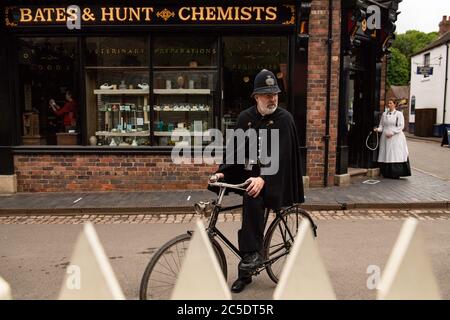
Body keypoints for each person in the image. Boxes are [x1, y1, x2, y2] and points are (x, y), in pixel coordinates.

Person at [209, 69, 305, 293]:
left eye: (275, 94)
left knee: (252, 196)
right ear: (256, 97)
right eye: (266, 94)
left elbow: (282, 156)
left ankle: (250, 259)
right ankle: (248, 269)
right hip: (252, 175)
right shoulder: (246, 118)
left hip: (277, 179)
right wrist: (223, 172)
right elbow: (236, 151)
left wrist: (264, 178)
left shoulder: (284, 119)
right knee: (248, 211)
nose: (272, 98)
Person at [374, 99, 411, 179]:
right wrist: (378, 129)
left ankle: (395, 173)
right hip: (385, 137)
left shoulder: (399, 114)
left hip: (396, 137)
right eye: (388, 103)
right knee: (386, 152)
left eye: (390, 103)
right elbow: (381, 125)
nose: (389, 104)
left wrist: (392, 133)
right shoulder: (384, 114)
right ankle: (386, 172)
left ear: (395, 104)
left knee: (394, 153)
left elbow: (401, 126)